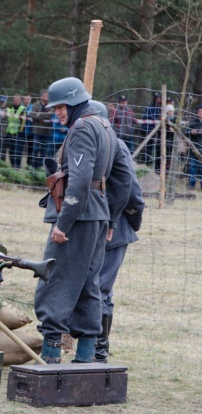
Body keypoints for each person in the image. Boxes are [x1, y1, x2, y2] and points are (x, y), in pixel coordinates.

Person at [34, 77, 133, 364]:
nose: (57, 114)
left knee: (55, 279)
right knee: (90, 284)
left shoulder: (81, 129)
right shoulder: (106, 127)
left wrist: (63, 224)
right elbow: (124, 181)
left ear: (74, 101)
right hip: (98, 216)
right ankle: (87, 355)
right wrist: (111, 219)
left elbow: (77, 184)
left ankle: (50, 354)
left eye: (60, 107)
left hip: (77, 218)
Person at [90, 100, 145, 363]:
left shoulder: (110, 145)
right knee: (98, 290)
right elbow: (134, 196)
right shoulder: (111, 143)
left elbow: (130, 192)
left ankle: (98, 351)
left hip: (111, 228)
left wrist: (130, 222)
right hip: (105, 227)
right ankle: (94, 349)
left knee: (101, 290)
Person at [30, 89, 54, 168]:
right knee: (35, 149)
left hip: (47, 132)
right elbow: (32, 114)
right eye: (45, 95)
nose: (47, 97)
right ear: (41, 96)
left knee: (44, 151)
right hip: (37, 131)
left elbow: (50, 114)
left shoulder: (51, 105)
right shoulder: (35, 105)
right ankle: (33, 166)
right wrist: (44, 115)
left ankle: (40, 167)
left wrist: (39, 114)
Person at [5, 94, 26, 168]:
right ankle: (12, 166)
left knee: (18, 151)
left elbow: (23, 122)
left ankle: (17, 166)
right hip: (10, 132)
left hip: (19, 133)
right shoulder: (11, 108)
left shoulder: (23, 109)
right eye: (14, 100)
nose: (15, 101)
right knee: (11, 151)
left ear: (20, 100)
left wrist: (20, 131)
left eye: (17, 100)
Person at [186, 105, 202, 189]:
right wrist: (191, 132)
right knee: (192, 167)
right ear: (197, 113)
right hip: (193, 149)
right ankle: (191, 185)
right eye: (199, 112)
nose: (200, 113)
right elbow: (185, 132)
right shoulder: (192, 122)